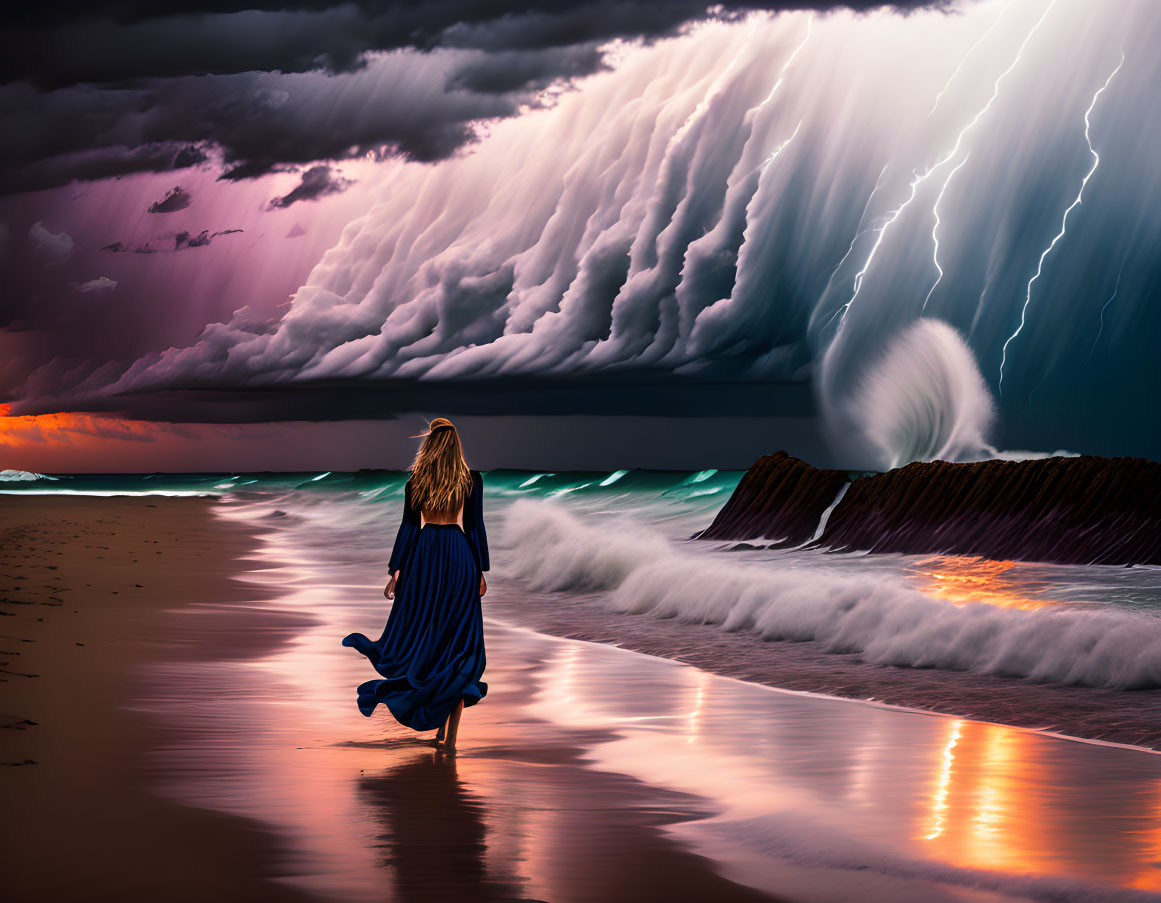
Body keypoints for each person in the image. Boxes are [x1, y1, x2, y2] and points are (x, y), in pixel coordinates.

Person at [341, 417, 489, 752]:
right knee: (459, 648)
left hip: (423, 557)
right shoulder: (471, 480)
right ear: (455, 446)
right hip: (458, 555)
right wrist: (481, 569)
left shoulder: (416, 481)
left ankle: (435, 727)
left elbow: (409, 527)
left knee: (427, 642)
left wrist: (397, 569)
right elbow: (475, 527)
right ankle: (448, 737)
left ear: (430, 445)